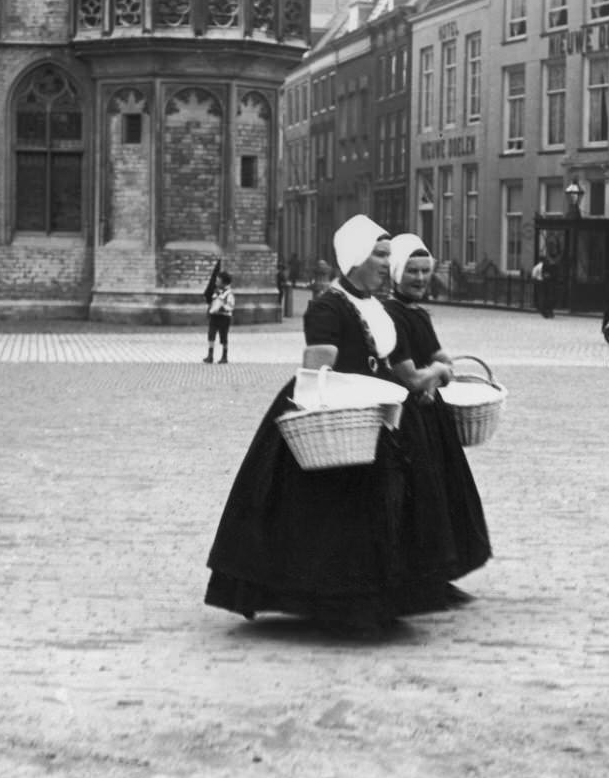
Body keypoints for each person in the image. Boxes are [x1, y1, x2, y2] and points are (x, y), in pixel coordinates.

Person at [204, 215, 466, 635]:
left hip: (378, 414)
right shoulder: (329, 305)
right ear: (354, 259)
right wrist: (325, 411)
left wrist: (432, 375)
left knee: (386, 505)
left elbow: (407, 374)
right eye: (379, 255)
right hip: (339, 415)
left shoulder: (379, 309)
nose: (386, 263)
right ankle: (337, 603)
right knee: (336, 512)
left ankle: (378, 598)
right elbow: (317, 369)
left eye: (386, 255)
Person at [384, 234, 491, 603]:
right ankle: (423, 583)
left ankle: (439, 578)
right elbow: (410, 376)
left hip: (430, 417)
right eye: (411, 271)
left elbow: (441, 357)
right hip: (408, 420)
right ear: (396, 272)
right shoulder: (391, 314)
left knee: (445, 497)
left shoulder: (417, 313)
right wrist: (437, 373)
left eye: (425, 271)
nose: (419, 278)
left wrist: (437, 369)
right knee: (423, 502)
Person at [203, 270, 234, 364]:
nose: (216, 282)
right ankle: (210, 355)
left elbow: (230, 306)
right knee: (211, 334)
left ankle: (224, 355)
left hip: (224, 317)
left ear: (224, 283)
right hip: (214, 316)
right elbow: (212, 302)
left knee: (223, 336)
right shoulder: (216, 292)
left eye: (218, 281)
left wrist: (222, 307)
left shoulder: (228, 294)